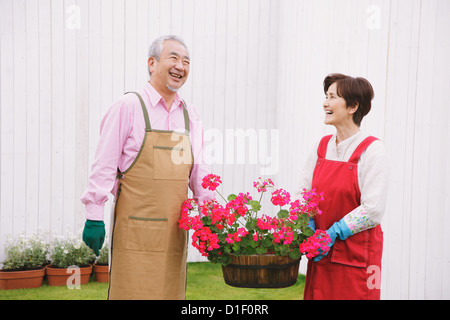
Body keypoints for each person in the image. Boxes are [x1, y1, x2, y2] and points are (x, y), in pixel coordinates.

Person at [80, 35, 214, 300]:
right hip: (134, 233)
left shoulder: (190, 115)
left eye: (186, 61)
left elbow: (200, 171)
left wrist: (210, 215)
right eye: (173, 58)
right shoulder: (129, 106)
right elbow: (104, 165)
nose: (181, 66)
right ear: (152, 63)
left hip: (174, 233)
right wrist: (94, 214)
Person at [299, 73, 388, 300]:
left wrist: (334, 233)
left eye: (332, 97)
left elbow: (373, 209)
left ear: (353, 106)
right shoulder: (321, 148)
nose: (325, 103)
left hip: (357, 258)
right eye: (325, 96)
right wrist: (308, 225)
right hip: (321, 255)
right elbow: (303, 194)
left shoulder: (372, 150)